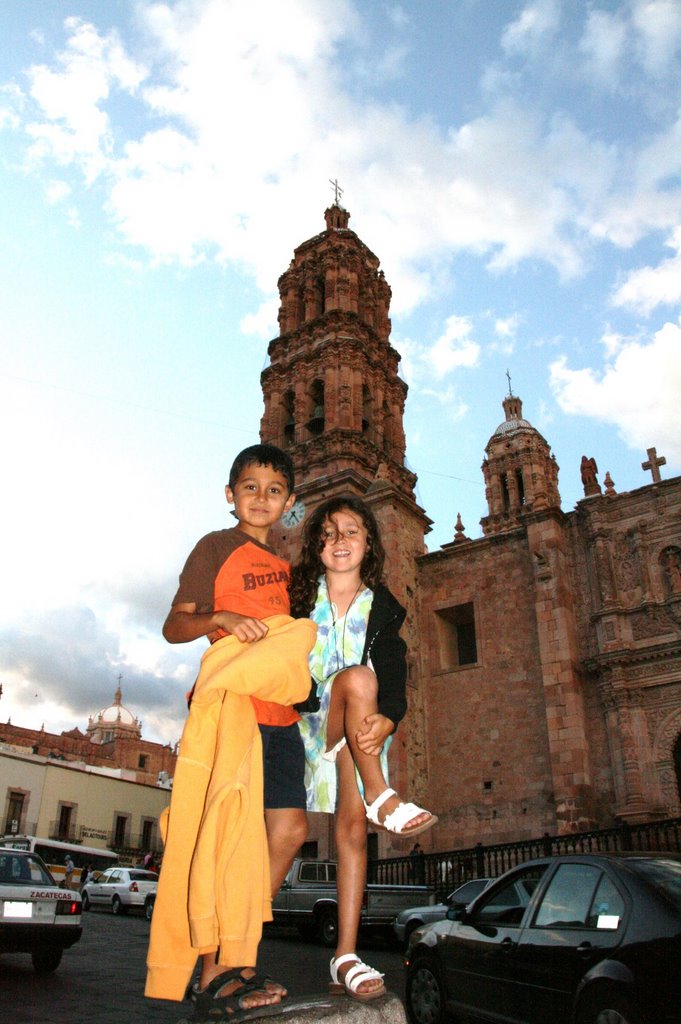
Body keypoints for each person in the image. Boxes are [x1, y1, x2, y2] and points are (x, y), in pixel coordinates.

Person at [145, 443, 316, 1020]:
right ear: (230, 495)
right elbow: (174, 626)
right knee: (228, 839)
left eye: (274, 491)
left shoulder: (289, 568)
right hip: (233, 711)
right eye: (250, 488)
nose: (262, 499)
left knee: (289, 832)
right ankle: (221, 971)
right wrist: (218, 618)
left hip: (280, 714)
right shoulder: (214, 547)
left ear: (289, 502)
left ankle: (231, 945)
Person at [289, 494, 437, 1002]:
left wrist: (389, 718)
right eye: (328, 533)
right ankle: (381, 794)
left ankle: (345, 955)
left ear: (369, 541)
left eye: (351, 531)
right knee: (353, 679)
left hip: (361, 735)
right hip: (307, 722)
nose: (340, 541)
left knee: (351, 833)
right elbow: (284, 659)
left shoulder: (383, 607)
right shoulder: (298, 599)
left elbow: (394, 669)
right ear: (316, 546)